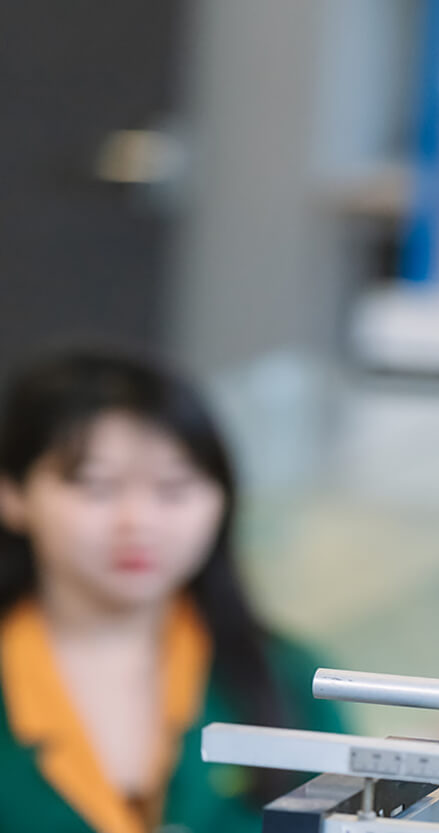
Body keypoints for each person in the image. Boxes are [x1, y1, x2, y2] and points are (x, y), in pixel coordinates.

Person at [0, 347, 345, 833]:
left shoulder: (289, 679)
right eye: (97, 487)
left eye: (174, 488)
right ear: (13, 494)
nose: (138, 522)